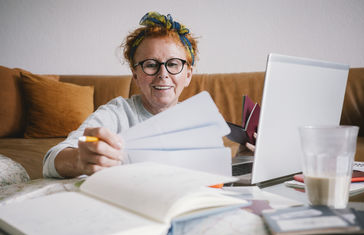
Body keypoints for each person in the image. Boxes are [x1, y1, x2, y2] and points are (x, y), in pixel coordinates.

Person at [43, 11, 254, 178]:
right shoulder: (116, 114)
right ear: (135, 74)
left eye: (173, 64)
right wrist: (80, 159)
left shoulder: (200, 120)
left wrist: (244, 158)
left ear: (188, 75)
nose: (163, 74)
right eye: (151, 65)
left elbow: (216, 174)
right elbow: (51, 159)